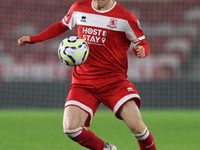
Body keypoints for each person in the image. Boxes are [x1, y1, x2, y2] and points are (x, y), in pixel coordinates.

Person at [18, 0, 157, 149]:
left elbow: (142, 43)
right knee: (70, 128)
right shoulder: (79, 7)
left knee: (138, 128)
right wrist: (34, 39)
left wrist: (141, 50)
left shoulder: (126, 17)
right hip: (83, 82)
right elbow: (61, 25)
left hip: (114, 82)